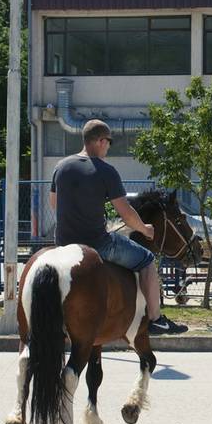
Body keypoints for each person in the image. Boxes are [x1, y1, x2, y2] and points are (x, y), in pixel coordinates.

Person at [49, 119, 187, 335]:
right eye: (109, 143)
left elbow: (54, 204)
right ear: (102, 141)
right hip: (98, 244)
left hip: (63, 244)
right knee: (147, 260)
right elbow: (126, 214)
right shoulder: (106, 171)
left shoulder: (61, 167)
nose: (109, 148)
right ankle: (156, 319)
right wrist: (144, 229)